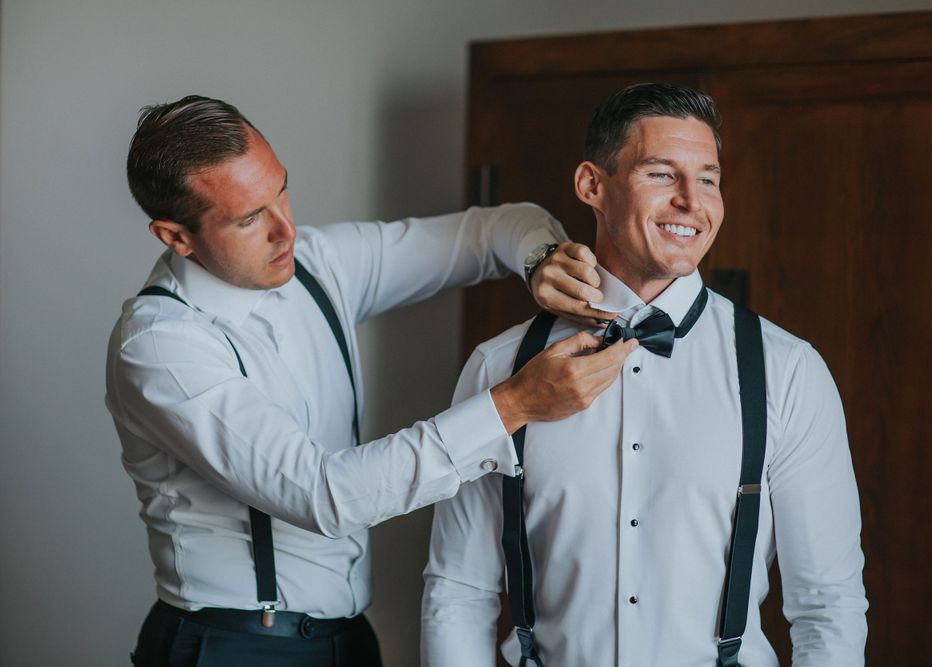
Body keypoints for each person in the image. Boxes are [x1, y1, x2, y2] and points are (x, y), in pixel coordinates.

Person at [105, 95, 637, 666]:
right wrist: (512, 406)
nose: (286, 230)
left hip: (349, 642)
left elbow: (492, 229)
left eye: (281, 190)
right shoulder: (159, 344)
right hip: (233, 649)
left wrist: (542, 258)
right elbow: (324, 496)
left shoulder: (316, 263)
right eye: (249, 218)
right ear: (175, 237)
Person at [422, 83, 868, 666]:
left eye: (708, 178)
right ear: (591, 186)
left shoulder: (787, 372)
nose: (692, 201)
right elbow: (459, 590)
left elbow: (827, 605)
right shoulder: (500, 367)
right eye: (662, 174)